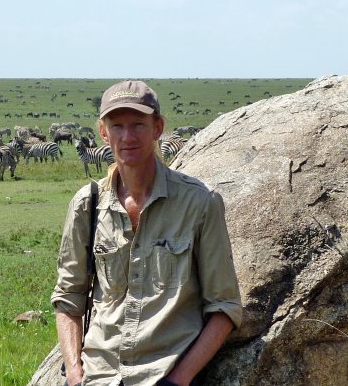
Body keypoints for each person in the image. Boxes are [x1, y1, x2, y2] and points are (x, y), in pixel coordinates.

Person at [51, 80, 243, 386]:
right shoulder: (87, 204)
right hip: (99, 376)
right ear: (103, 132)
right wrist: (75, 374)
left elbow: (225, 306)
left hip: (163, 375)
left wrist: (180, 379)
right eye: (117, 126)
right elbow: (69, 297)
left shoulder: (199, 202)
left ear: (158, 128)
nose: (127, 137)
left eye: (139, 125)